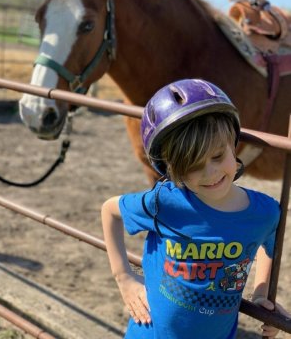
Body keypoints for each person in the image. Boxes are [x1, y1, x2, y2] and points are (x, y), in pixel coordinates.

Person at [101, 78, 288, 338]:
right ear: (170, 168)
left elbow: (269, 241)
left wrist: (260, 294)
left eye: (217, 156)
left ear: (233, 144)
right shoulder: (165, 202)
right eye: (193, 165)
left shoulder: (264, 211)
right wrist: (123, 276)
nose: (210, 173)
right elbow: (110, 210)